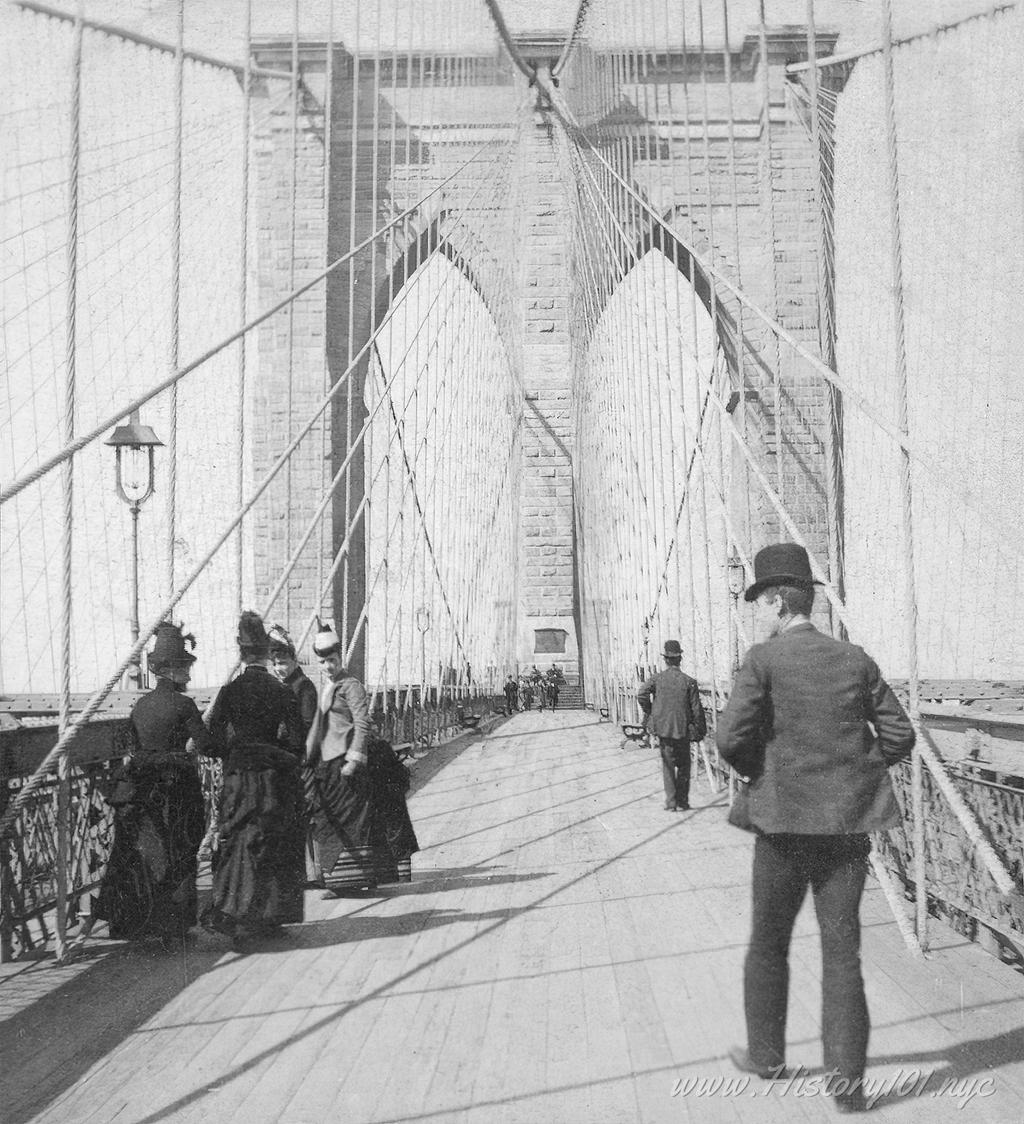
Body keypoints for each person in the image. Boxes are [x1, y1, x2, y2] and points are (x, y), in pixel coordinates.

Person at [716, 542, 915, 1113]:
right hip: (846, 830)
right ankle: (849, 1089)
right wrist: (855, 774)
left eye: (758, 601)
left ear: (778, 602)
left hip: (780, 829)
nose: (756, 612)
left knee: (769, 944)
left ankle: (767, 1058)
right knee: (842, 951)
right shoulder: (856, 660)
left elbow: (730, 739)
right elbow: (899, 737)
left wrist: (764, 773)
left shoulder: (763, 660)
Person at [78, 622, 213, 948]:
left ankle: (140, 922)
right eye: (184, 667)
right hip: (177, 787)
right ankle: (175, 926)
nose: (188, 674)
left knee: (147, 855)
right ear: (169, 669)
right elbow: (207, 745)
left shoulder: (140, 705)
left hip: (142, 789)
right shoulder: (185, 706)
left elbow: (132, 745)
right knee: (181, 852)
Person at [201, 611, 306, 946]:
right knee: (274, 842)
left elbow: (209, 742)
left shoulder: (229, 692)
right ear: (266, 652)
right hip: (272, 778)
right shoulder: (282, 691)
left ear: (241, 652)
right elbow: (297, 741)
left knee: (239, 843)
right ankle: (270, 918)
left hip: (237, 779)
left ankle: (239, 917)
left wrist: (233, 750)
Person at [304, 620, 419, 895]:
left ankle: (351, 883)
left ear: (340, 658)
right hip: (328, 765)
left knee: (352, 823)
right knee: (334, 822)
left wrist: (354, 759)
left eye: (332, 660)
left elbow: (362, 722)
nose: (328, 667)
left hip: (347, 764)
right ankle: (339, 882)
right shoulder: (327, 689)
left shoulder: (350, 685)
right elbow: (321, 727)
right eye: (323, 663)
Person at [637, 640, 706, 811]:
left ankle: (671, 802)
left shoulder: (657, 679)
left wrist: (651, 712)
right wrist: (700, 730)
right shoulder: (689, 681)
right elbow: (697, 710)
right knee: (684, 765)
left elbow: (641, 694)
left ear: (666, 660)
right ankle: (682, 801)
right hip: (683, 730)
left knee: (667, 765)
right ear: (680, 659)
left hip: (663, 729)